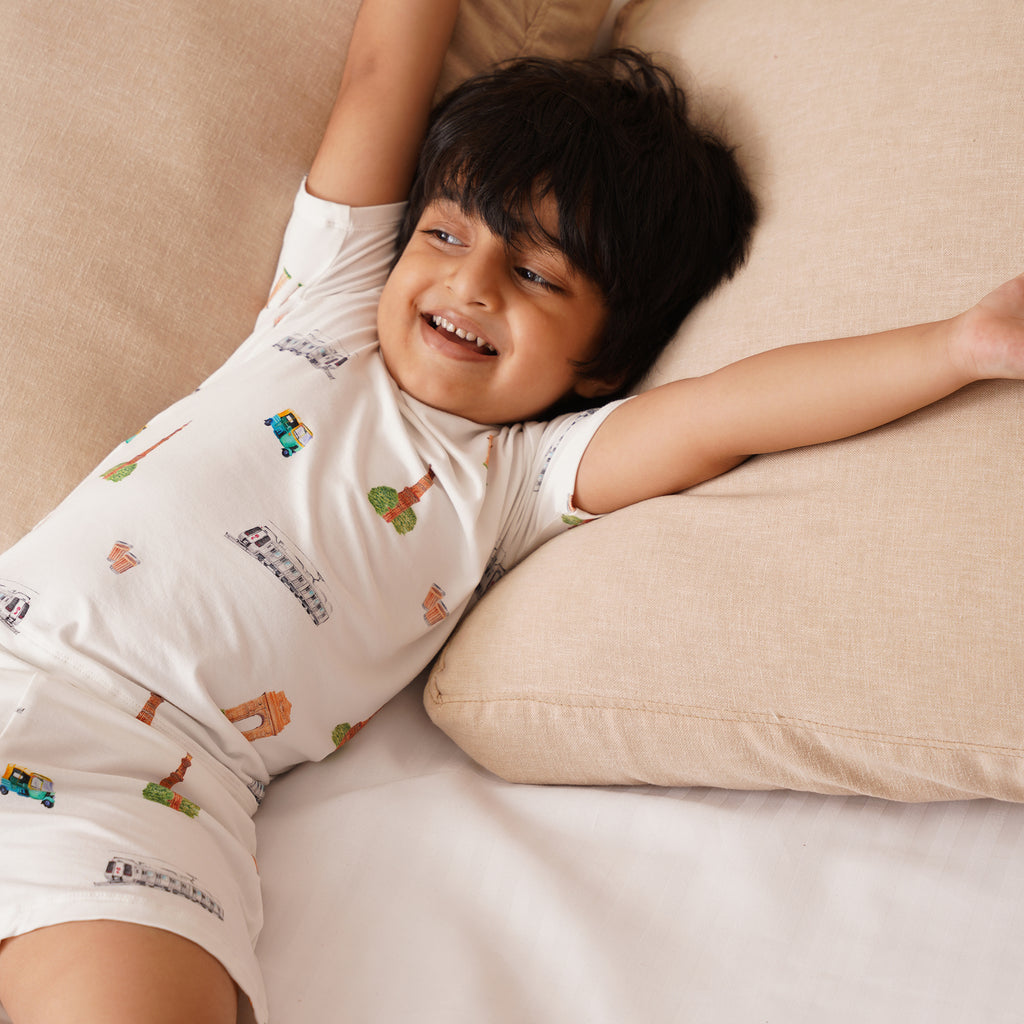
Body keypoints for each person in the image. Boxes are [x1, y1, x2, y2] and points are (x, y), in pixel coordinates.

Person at [1, 0, 1022, 1021]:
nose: (470, 280)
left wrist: (959, 347)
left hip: (148, 793)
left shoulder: (518, 480)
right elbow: (379, 70)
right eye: (444, 233)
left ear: (608, 360)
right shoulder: (330, 299)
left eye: (536, 274)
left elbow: (727, 411)